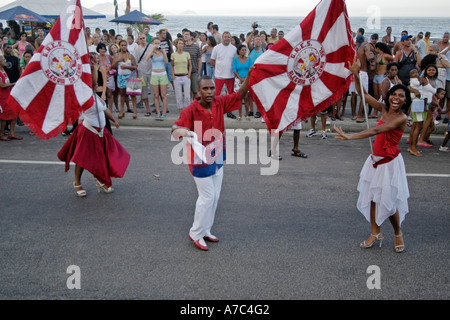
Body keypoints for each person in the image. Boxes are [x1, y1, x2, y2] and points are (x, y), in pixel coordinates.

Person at [171, 68, 254, 251]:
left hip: (217, 155)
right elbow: (174, 129)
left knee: (215, 197)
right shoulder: (191, 110)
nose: (209, 92)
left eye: (212, 88)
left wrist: (249, 75)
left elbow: (239, 94)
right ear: (198, 91)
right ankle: (195, 233)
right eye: (205, 89)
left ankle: (206, 229)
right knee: (207, 197)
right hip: (199, 161)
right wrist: (185, 132)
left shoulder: (219, 103)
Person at [335, 57, 411, 253]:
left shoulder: (401, 118)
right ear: (390, 96)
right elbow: (363, 94)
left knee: (389, 200)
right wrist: (355, 74)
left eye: (402, 96)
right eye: (395, 94)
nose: (397, 97)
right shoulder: (384, 108)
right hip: (374, 160)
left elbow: (377, 131)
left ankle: (397, 232)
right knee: (371, 198)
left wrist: (350, 137)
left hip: (389, 163)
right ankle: (375, 233)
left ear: (405, 101)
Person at [57, 55, 130, 197]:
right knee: (82, 159)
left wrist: (113, 120)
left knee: (103, 157)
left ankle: (100, 180)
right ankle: (77, 182)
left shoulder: (94, 96)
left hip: (101, 131)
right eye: (93, 82)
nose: (95, 84)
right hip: (88, 131)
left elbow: (104, 108)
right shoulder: (82, 95)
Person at [211, 31, 237, 118]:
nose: (227, 38)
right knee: (217, 95)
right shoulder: (216, 48)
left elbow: (236, 61)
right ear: (222, 37)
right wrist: (218, 69)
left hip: (230, 76)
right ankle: (216, 111)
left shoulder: (234, 49)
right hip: (219, 76)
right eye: (225, 37)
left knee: (230, 95)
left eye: (228, 37)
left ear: (230, 38)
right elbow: (212, 61)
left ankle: (230, 112)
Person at [112, 40, 138, 119]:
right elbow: (113, 67)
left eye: (125, 45)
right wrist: (118, 60)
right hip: (121, 76)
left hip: (130, 76)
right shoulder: (117, 56)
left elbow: (135, 66)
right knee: (122, 94)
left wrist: (126, 67)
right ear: (120, 46)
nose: (123, 47)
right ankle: (122, 111)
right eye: (122, 45)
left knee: (132, 94)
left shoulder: (130, 55)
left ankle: (135, 111)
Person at [146, 38, 169, 120]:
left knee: (163, 94)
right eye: (155, 43)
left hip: (162, 73)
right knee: (155, 95)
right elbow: (146, 59)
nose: (157, 45)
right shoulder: (152, 52)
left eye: (158, 43)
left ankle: (164, 112)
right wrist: (153, 50)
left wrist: (163, 52)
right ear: (153, 44)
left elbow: (166, 61)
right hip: (154, 74)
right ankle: (158, 112)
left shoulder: (162, 52)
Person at [416, 64, 438, 148]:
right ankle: (420, 140)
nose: (431, 71)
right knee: (425, 122)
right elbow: (415, 85)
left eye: (433, 70)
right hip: (424, 103)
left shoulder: (435, 81)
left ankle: (423, 138)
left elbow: (433, 94)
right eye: (429, 70)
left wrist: (436, 105)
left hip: (430, 103)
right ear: (426, 71)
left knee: (430, 125)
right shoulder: (423, 79)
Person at [0, 55, 21, 141]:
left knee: (14, 115)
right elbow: (2, 85)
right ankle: (1, 134)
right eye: (2, 59)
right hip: (2, 97)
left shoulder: (3, 70)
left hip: (8, 96)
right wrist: (14, 83)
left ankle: (11, 133)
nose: (5, 60)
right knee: (4, 117)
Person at [371, 42, 394, 118]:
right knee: (376, 95)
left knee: (382, 95)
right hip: (376, 76)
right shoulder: (377, 55)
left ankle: (382, 113)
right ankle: (375, 112)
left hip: (382, 76)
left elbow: (394, 60)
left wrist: (389, 71)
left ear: (378, 48)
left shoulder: (386, 56)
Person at [133, 32, 153, 117]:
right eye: (140, 39)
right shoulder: (137, 49)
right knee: (144, 90)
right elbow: (135, 61)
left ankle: (155, 107)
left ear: (146, 38)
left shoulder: (151, 47)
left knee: (154, 90)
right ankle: (148, 109)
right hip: (142, 71)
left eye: (143, 38)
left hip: (152, 71)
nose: (142, 40)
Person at [171, 38, 192, 113]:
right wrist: (173, 75)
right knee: (178, 96)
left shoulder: (186, 54)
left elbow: (190, 65)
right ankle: (181, 112)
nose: (181, 45)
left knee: (187, 96)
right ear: (176, 45)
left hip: (185, 76)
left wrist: (189, 74)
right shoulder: (173, 55)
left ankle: (187, 112)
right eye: (179, 43)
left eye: (182, 44)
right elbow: (172, 66)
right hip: (177, 77)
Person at [233, 44, 252, 120]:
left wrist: (245, 78)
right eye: (242, 50)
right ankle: (239, 115)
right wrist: (240, 78)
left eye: (245, 50)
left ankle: (247, 114)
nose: (244, 51)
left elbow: (251, 70)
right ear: (239, 51)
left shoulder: (249, 59)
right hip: (238, 80)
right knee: (239, 98)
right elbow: (234, 70)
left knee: (246, 97)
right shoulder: (235, 59)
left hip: (247, 80)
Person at [183, 30, 202, 99]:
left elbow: (199, 59)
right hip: (184, 72)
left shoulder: (196, 47)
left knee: (195, 90)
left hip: (194, 71)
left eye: (187, 34)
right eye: (184, 34)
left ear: (191, 36)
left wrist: (199, 71)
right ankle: (190, 105)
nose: (185, 36)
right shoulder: (182, 47)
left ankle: (195, 105)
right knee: (187, 91)